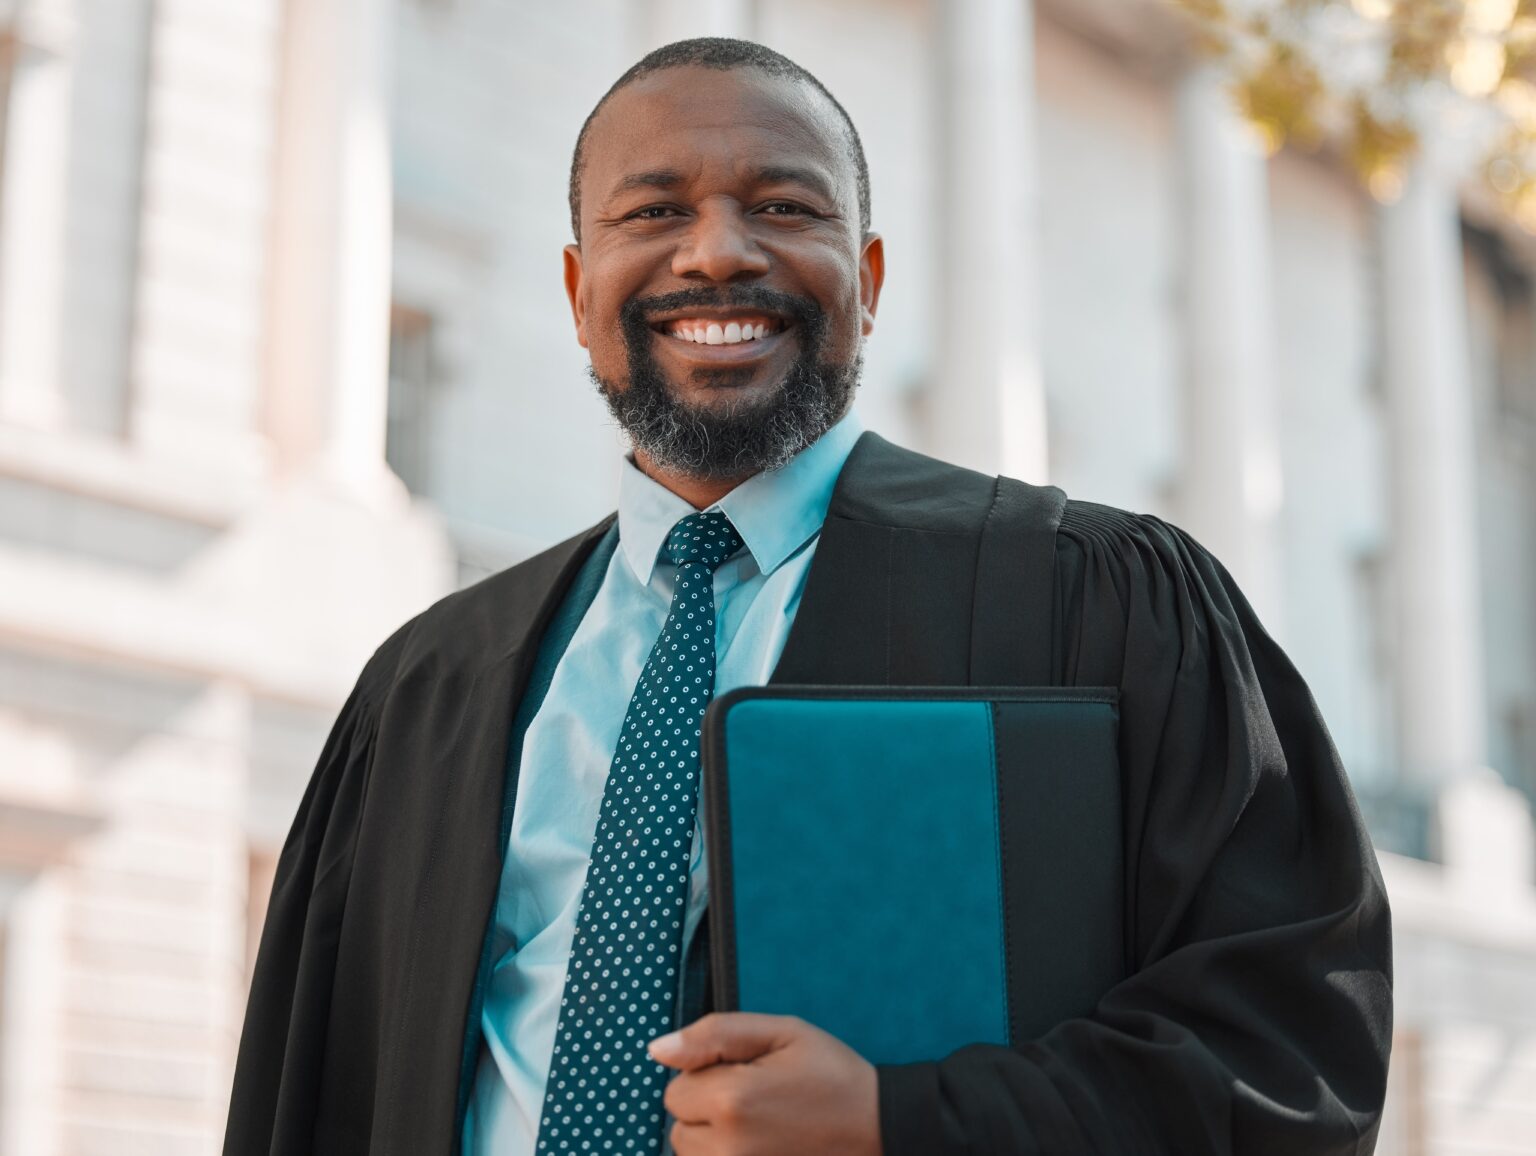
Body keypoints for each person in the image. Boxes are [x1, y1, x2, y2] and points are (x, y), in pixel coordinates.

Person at [223, 37, 1393, 1156]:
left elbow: (1294, 1054)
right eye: (653, 212)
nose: (717, 252)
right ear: (581, 292)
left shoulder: (1094, 603)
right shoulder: (433, 689)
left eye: (784, 206)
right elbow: (315, 1098)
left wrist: (909, 1122)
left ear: (868, 281)